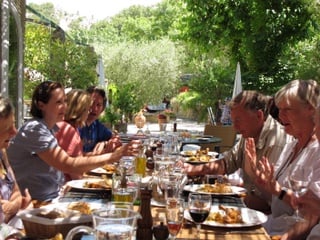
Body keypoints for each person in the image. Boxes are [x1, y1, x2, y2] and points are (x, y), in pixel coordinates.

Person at [7, 81, 133, 202]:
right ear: (41, 105)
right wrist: (114, 156)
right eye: (58, 102)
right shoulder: (35, 129)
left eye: (65, 101)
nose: (64, 107)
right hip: (37, 203)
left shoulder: (51, 128)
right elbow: (69, 164)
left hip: (55, 197)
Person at [182, 90, 292, 212]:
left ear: (259, 116)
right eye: (233, 121)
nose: (235, 127)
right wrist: (193, 169)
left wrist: (231, 195)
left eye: (238, 121)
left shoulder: (277, 142)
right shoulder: (250, 133)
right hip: (247, 206)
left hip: (265, 219)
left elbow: (271, 203)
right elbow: (227, 163)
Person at [245, 79, 320, 237]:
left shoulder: (317, 153)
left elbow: (311, 216)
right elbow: (276, 201)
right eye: (279, 109)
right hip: (271, 226)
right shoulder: (291, 146)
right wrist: (257, 177)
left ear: (311, 110)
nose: (280, 115)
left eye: (287, 109)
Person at [0, 96, 31, 238]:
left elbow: (17, 193)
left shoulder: (2, 152)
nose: (14, 132)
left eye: (14, 124)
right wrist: (17, 204)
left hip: (13, 226)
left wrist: (14, 205)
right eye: (7, 128)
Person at [79, 86, 121, 153]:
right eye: (91, 103)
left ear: (102, 109)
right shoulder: (75, 125)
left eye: (98, 105)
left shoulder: (97, 126)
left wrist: (106, 143)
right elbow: (74, 159)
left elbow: (115, 139)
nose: (94, 108)